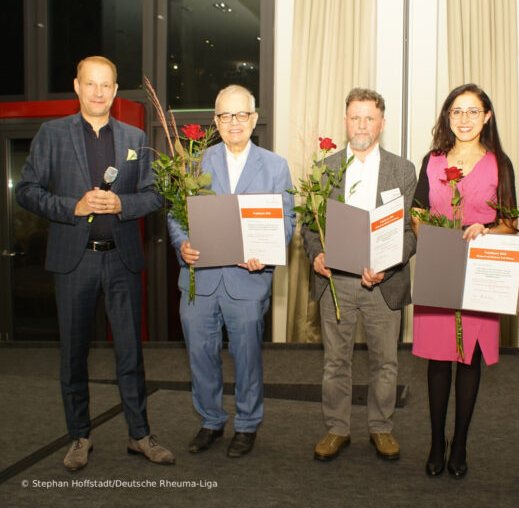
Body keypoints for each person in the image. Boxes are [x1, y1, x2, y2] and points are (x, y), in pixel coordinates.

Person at [16, 56, 174, 470]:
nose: (98, 92)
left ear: (116, 90)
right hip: (75, 263)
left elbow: (156, 195)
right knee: (73, 356)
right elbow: (27, 191)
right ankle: (79, 436)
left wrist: (123, 204)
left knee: (130, 355)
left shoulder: (135, 138)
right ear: (77, 86)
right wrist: (74, 206)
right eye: (91, 84)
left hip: (122, 261)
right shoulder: (52, 134)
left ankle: (139, 435)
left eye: (106, 85)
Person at [167, 85, 295, 458]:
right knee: (200, 355)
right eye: (225, 115)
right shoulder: (194, 162)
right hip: (199, 280)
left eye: (241, 114)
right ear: (216, 121)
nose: (233, 122)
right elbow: (175, 214)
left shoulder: (275, 166)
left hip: (247, 281)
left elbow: (286, 221)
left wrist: (265, 254)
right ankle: (210, 420)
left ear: (254, 119)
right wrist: (182, 244)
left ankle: (247, 424)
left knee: (247, 358)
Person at [301, 88, 417, 462]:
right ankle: (337, 428)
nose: (362, 125)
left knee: (385, 362)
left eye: (369, 118)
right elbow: (309, 226)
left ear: (382, 123)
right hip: (337, 282)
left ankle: (381, 427)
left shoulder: (403, 170)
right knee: (336, 361)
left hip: (384, 283)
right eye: (355, 118)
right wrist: (317, 255)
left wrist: (387, 264)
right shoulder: (324, 168)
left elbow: (410, 232)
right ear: (346, 121)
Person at [411, 83, 517, 479]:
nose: (464, 119)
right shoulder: (432, 160)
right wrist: (433, 235)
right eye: (457, 111)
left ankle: (460, 443)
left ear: (487, 117)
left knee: (469, 358)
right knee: (438, 360)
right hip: (440, 265)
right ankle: (436, 442)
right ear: (447, 117)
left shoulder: (499, 163)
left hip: (481, 271)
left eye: (473, 111)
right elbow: (417, 213)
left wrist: (485, 229)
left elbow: (511, 223)